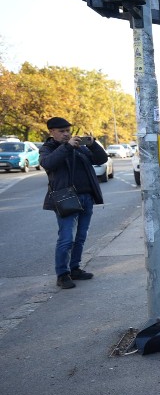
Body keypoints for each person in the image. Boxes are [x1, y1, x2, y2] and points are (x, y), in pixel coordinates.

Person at [40, 117, 108, 289]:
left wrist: (93, 144)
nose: (66, 134)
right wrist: (67, 146)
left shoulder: (80, 148)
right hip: (66, 198)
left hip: (86, 197)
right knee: (66, 238)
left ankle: (75, 268)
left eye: (68, 131)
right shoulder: (48, 148)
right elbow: (48, 163)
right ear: (52, 132)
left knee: (81, 237)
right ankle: (62, 274)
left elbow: (101, 159)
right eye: (62, 131)